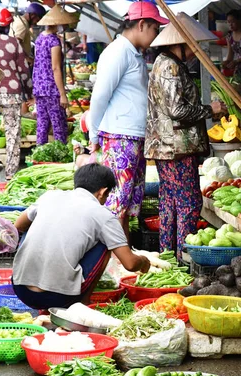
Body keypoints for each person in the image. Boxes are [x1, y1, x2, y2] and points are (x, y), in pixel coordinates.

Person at [12, 163, 151, 310]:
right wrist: (143, 261)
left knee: (31, 224)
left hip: (20, 289)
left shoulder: (49, 196)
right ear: (102, 192)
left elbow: (18, 226)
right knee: (105, 243)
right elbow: (130, 264)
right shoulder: (103, 215)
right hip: (58, 297)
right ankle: (83, 305)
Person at [146, 13, 226, 260]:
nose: (195, 51)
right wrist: (209, 110)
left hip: (168, 147)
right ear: (178, 44)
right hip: (176, 147)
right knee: (189, 204)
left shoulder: (164, 63)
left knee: (170, 203)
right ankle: (184, 256)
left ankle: (169, 256)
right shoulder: (169, 66)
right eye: (193, 46)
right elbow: (177, 110)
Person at [88, 1, 167, 239]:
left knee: (126, 205)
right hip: (121, 137)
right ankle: (112, 259)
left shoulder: (133, 52)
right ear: (142, 24)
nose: (156, 34)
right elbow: (100, 96)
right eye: (155, 28)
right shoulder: (118, 52)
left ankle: (125, 255)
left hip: (133, 137)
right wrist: (94, 135)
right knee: (115, 204)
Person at [0, 8, 33, 180]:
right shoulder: (13, 42)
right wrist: (29, 91)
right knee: (13, 134)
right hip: (12, 92)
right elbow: (23, 70)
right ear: (7, 25)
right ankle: (11, 175)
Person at [33, 5, 78, 146]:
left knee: (42, 125)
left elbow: (38, 63)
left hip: (39, 88)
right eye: (64, 24)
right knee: (59, 126)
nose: (65, 27)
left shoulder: (40, 38)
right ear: (57, 24)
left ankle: (39, 153)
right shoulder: (54, 41)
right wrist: (62, 94)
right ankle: (60, 153)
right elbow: (56, 68)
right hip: (52, 89)